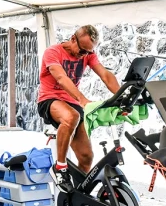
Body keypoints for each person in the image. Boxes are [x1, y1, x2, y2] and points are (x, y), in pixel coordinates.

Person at [36, 25, 120, 190]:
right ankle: (60, 168)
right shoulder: (53, 52)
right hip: (50, 100)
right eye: (83, 51)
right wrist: (82, 99)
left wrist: (121, 95)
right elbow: (61, 77)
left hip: (72, 103)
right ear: (73, 39)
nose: (85, 55)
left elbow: (105, 74)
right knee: (71, 116)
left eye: (89, 52)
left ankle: (79, 196)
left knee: (86, 157)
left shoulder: (88, 53)